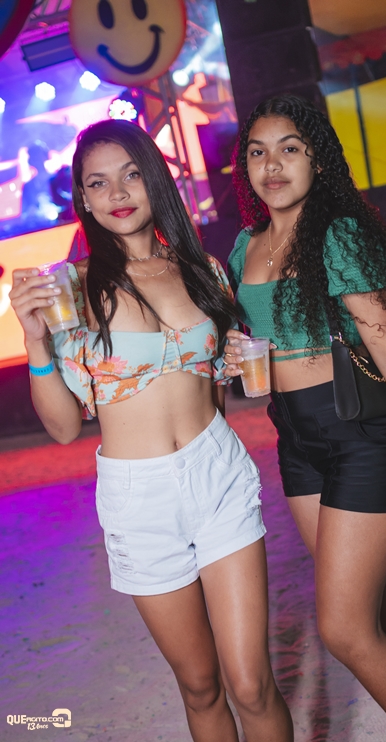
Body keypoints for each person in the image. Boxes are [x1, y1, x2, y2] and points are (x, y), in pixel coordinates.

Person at [9, 119, 293, 742]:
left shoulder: (203, 269)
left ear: (155, 179)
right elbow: (63, 428)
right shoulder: (73, 289)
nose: (117, 193)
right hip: (139, 498)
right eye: (98, 183)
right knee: (201, 686)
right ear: (83, 199)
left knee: (251, 683)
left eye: (131, 174)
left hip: (216, 474)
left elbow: (216, 386)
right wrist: (36, 344)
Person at [224, 96, 386, 742]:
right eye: (257, 152)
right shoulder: (245, 245)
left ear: (318, 161)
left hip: (363, 433)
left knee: (345, 628)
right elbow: (256, 339)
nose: (272, 165)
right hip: (296, 438)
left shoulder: (338, 237)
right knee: (376, 606)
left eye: (289, 149)